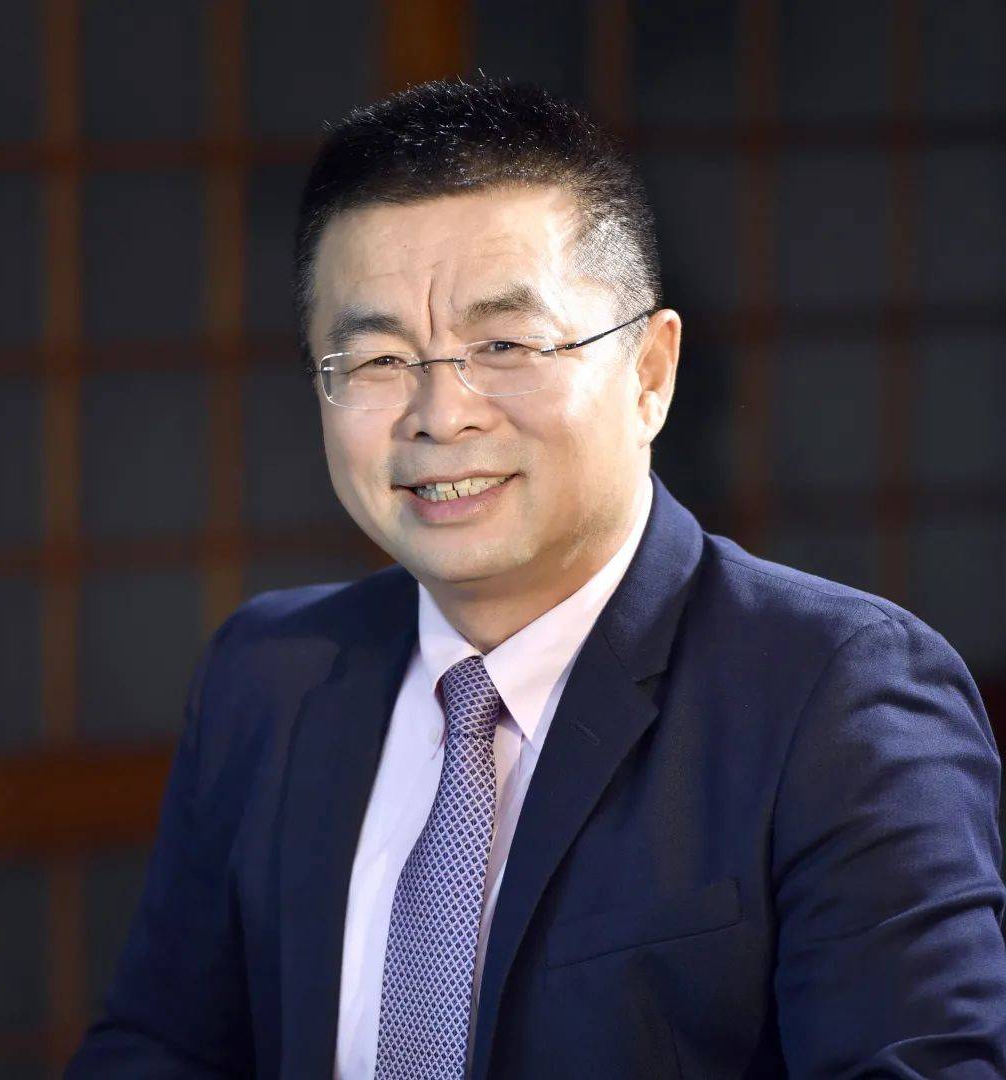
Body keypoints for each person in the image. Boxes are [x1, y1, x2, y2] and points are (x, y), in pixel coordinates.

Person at [66, 78, 1006, 1079]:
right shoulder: (269, 674)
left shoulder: (837, 695)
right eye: (377, 359)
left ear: (650, 373)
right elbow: (161, 1047)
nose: (440, 415)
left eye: (504, 345)